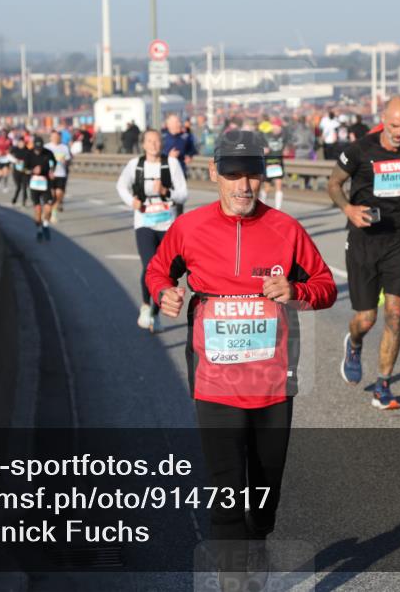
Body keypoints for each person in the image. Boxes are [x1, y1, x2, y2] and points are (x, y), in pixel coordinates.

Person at [145, 129, 336, 552]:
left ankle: (259, 537)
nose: (242, 185)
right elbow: (158, 271)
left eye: (251, 174)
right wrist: (165, 293)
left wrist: (296, 291)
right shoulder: (188, 228)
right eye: (232, 174)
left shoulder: (286, 230)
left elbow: (326, 286)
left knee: (263, 502)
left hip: (272, 385)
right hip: (214, 383)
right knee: (226, 497)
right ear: (214, 172)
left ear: (263, 176)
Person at [327, 96, 400, 410]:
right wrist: (348, 208)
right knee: (365, 319)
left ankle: (383, 386)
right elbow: (334, 183)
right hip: (364, 241)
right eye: (394, 126)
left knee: (395, 314)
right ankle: (354, 343)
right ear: (383, 119)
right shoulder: (359, 150)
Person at [115, 129, 188, 333]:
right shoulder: (135, 165)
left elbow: (183, 194)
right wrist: (132, 201)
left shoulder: (171, 164)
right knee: (149, 267)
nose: (153, 145)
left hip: (167, 224)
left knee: (165, 272)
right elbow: (121, 186)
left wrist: (166, 192)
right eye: (149, 141)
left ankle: (155, 314)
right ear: (144, 144)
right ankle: (146, 305)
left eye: (156, 141)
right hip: (144, 222)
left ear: (161, 144)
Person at [162, 113, 197, 214]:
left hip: (181, 172)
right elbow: (154, 155)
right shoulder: (162, 137)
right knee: (168, 199)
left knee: (180, 199)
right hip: (165, 173)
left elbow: (192, 149)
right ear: (169, 124)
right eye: (176, 122)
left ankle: (178, 222)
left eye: (179, 121)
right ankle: (166, 223)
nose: (179, 124)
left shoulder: (185, 136)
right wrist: (168, 156)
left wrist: (189, 156)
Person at [23, 136, 56, 241]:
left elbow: (53, 163)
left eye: (40, 149)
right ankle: (39, 230)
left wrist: (51, 170)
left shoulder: (48, 153)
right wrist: (33, 170)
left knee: (48, 207)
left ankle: (45, 225)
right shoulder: (29, 154)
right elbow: (24, 169)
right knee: (38, 209)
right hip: (34, 184)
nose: (38, 151)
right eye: (37, 149)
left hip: (46, 183)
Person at [44, 131, 72, 217]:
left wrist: (66, 161)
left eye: (57, 137)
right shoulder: (46, 147)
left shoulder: (64, 147)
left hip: (61, 173)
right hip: (50, 174)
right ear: (50, 137)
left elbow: (68, 159)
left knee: (59, 194)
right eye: (53, 136)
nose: (55, 138)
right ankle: (51, 209)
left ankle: (54, 211)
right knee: (52, 194)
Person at [260, 120, 286, 210]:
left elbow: (289, 144)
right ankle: (262, 205)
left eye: (278, 127)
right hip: (268, 163)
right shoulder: (266, 136)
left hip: (278, 163)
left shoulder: (283, 136)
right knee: (267, 188)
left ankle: (278, 210)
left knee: (279, 185)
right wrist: (263, 150)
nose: (277, 129)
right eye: (275, 127)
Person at [9, 135, 31, 207]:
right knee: (18, 186)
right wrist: (15, 161)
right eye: (20, 142)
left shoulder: (27, 150)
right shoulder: (14, 149)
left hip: (25, 171)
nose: (21, 144)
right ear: (18, 143)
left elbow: (31, 160)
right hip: (16, 171)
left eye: (22, 142)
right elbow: (9, 156)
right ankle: (15, 198)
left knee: (24, 186)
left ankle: (24, 201)